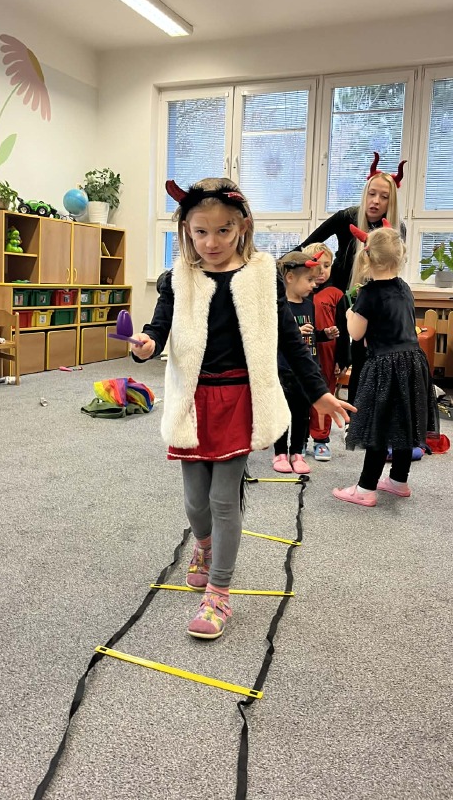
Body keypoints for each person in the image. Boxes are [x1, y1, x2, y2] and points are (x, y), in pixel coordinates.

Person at [132, 177, 354, 640]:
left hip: (238, 398)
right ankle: (204, 546)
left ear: (243, 227)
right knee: (195, 503)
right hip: (192, 401)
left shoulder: (260, 275)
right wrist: (146, 345)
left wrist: (319, 393)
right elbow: (158, 328)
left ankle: (219, 593)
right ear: (186, 231)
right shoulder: (178, 278)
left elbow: (289, 339)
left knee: (222, 499)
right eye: (200, 232)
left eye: (223, 231)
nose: (211, 242)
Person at [332, 226, 438, 507]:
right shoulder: (404, 287)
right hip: (413, 362)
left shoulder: (368, 293)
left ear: (367, 258)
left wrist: (349, 313)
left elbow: (356, 334)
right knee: (404, 422)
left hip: (385, 366)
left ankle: (365, 488)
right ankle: (399, 480)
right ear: (399, 257)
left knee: (378, 426)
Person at [293, 152, 407, 406]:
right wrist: (284, 269)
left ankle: (363, 417)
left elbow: (394, 268)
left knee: (367, 361)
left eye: (384, 197)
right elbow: (306, 245)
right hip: (339, 298)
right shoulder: (347, 217)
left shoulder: (396, 230)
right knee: (340, 357)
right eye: (372, 194)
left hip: (374, 300)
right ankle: (346, 417)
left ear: (391, 201)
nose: (375, 201)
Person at [272, 251, 339, 475]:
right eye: (309, 280)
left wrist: (324, 335)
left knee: (302, 414)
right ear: (290, 278)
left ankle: (297, 452)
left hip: (306, 369)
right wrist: (294, 333)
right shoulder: (278, 306)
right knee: (282, 413)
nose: (314, 284)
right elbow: (271, 338)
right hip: (284, 369)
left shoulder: (309, 305)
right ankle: (280, 453)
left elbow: (311, 336)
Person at [302, 242, 350, 461]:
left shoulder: (336, 294)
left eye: (327, 265)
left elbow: (343, 329)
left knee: (324, 395)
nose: (322, 271)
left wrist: (343, 358)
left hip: (327, 355)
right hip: (301, 354)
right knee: (301, 398)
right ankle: (300, 439)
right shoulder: (298, 293)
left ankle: (321, 440)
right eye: (316, 265)